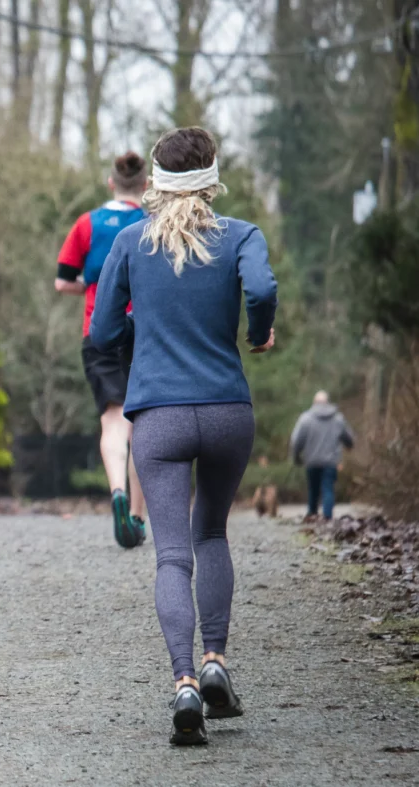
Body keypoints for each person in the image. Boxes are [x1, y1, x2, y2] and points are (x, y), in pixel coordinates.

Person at [90, 127, 278, 746]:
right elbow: (265, 289)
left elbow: (102, 330)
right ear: (212, 177)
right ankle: (217, 660)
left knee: (172, 554)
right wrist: (258, 332)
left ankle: (184, 684)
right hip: (227, 409)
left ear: (155, 180)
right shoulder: (240, 235)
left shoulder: (130, 242)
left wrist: (130, 347)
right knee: (213, 531)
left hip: (159, 416)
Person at [56, 153, 149, 549]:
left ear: (111, 183)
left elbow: (62, 282)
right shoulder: (152, 224)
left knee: (113, 423)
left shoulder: (86, 223)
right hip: (145, 332)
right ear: (145, 186)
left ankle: (116, 493)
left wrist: (93, 289)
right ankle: (138, 519)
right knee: (143, 424)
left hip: (98, 330)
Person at [290, 391, 354, 520]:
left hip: (311, 461)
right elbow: (348, 437)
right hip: (330, 461)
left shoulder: (305, 419)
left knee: (313, 489)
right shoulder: (337, 419)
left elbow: (296, 440)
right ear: (327, 402)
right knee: (328, 488)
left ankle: (312, 514)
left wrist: (296, 456)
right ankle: (327, 517)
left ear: (314, 402)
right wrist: (349, 445)